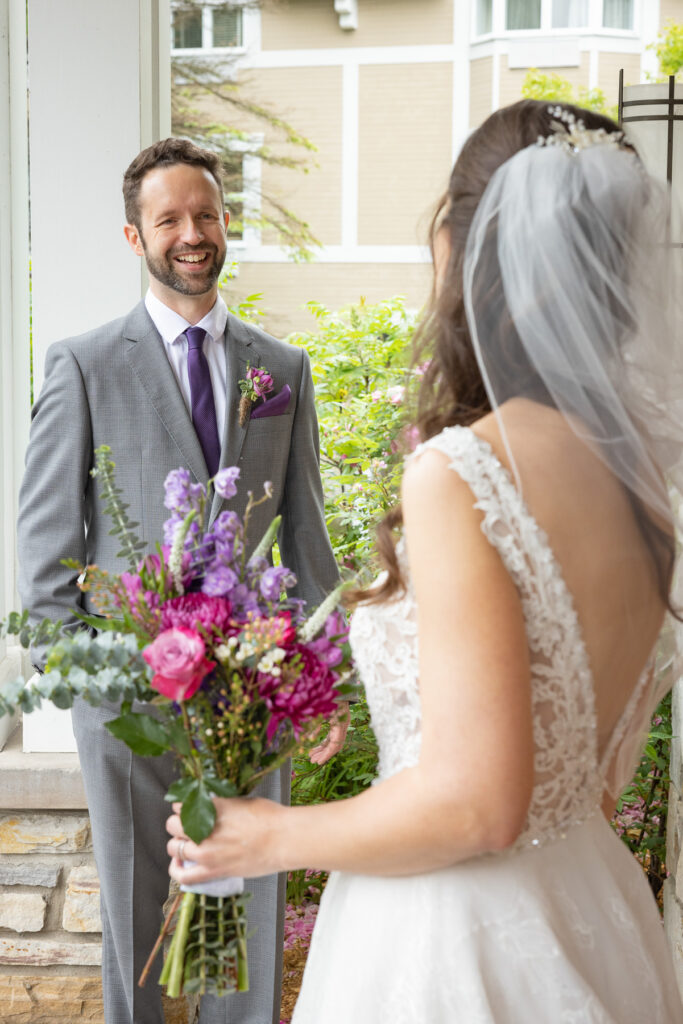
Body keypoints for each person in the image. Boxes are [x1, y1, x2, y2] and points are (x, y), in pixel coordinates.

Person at [165, 101, 683, 1022]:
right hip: (592, 908)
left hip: (456, 938)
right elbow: (592, 773)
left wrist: (268, 837)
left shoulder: (465, 473)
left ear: (474, 249)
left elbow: (476, 806)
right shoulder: (645, 477)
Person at [17, 137, 347, 1024]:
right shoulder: (83, 365)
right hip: (127, 700)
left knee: (247, 906)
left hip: (250, 702)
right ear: (136, 237)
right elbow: (45, 556)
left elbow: (307, 546)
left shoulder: (280, 370)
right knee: (136, 920)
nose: (190, 233)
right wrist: (91, 681)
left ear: (225, 223)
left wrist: (318, 686)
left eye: (205, 215)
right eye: (169, 219)